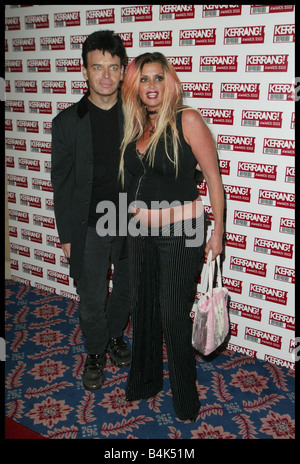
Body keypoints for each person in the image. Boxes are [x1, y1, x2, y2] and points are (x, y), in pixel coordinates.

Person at [119, 52, 224, 421]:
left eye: (157, 78)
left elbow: (213, 178)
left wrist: (219, 233)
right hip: (141, 233)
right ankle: (145, 382)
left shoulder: (187, 119)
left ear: (170, 81)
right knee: (144, 308)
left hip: (182, 231)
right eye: (144, 79)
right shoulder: (138, 126)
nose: (151, 86)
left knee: (172, 315)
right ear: (135, 86)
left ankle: (186, 401)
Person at [51, 30, 131, 392]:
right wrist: (67, 236)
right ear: (84, 70)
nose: (105, 76)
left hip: (131, 222)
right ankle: (96, 351)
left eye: (113, 68)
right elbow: (63, 185)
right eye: (97, 67)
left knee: (127, 290)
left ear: (123, 70)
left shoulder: (137, 117)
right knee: (92, 296)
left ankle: (115, 337)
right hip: (89, 226)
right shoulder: (66, 124)